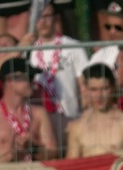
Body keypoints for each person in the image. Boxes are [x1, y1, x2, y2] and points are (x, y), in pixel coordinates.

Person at [29, 2, 88, 153]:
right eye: (39, 17)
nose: (43, 22)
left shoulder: (73, 46)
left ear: (55, 18)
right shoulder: (29, 52)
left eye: (47, 16)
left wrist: (84, 117)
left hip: (71, 118)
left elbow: (84, 86)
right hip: (44, 123)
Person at [0, 57, 57, 162]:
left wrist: (33, 148)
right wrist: (11, 155)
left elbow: (54, 154)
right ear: (10, 81)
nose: (33, 82)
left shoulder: (39, 114)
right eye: (28, 78)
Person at [66, 64, 123, 158]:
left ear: (113, 87)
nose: (99, 95)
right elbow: (72, 163)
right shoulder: (77, 127)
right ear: (86, 90)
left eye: (105, 88)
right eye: (94, 90)